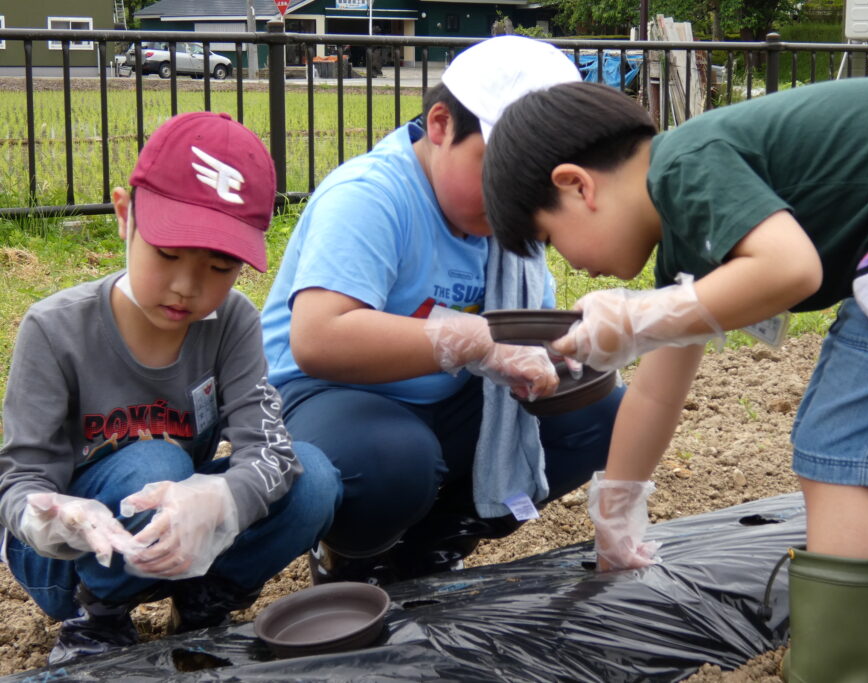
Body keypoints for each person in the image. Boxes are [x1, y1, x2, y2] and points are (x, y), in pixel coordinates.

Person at [481, 78, 868, 682]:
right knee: (860, 462)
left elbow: (789, 268)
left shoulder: (684, 165)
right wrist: (617, 507)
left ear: (577, 185)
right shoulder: (686, 224)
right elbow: (658, 388)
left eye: (550, 239)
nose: (570, 263)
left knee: (840, 456)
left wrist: (639, 317)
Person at [260, 35, 625, 586]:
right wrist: (476, 340)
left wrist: (564, 346)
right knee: (393, 458)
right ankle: (356, 554)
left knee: (596, 408)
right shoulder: (370, 194)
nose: (515, 201)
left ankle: (437, 541)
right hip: (329, 397)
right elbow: (318, 339)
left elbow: (524, 335)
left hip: (445, 397)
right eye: (499, 171)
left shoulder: (502, 226)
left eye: (535, 186)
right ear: (440, 125)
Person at [0, 111, 341, 665]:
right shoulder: (54, 329)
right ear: (123, 215)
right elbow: (21, 481)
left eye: (219, 265)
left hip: (179, 533)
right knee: (156, 462)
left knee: (315, 480)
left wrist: (223, 498)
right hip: (68, 558)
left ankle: (207, 599)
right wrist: (51, 516)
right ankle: (98, 614)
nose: (187, 286)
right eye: (167, 253)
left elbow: (271, 452)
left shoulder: (231, 322)